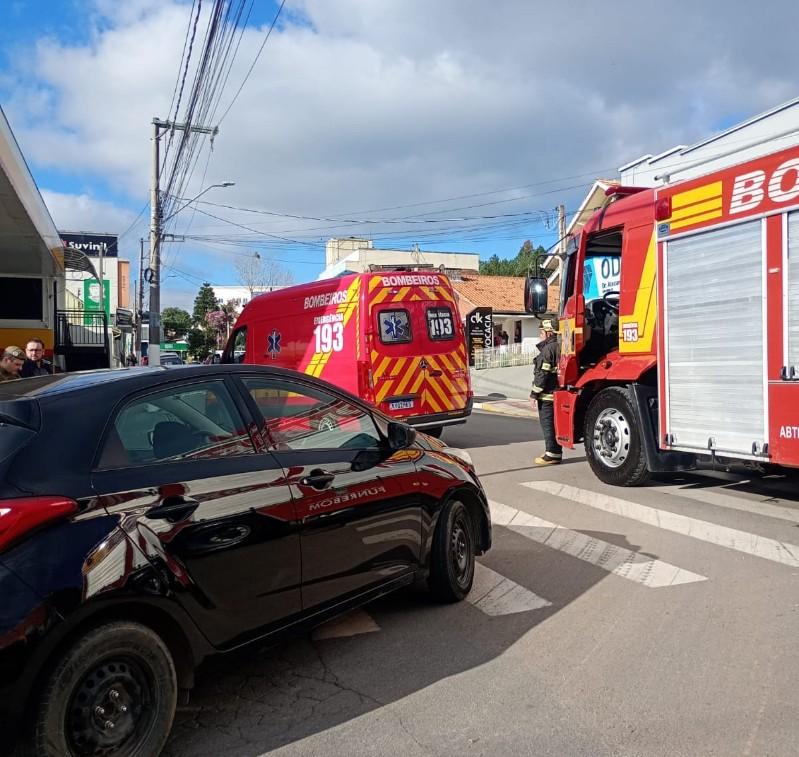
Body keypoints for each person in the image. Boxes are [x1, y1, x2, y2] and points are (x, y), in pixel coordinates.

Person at [530, 316, 562, 466]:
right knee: (555, 425)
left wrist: (534, 394)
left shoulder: (548, 349)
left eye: (541, 333)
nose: (540, 336)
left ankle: (552, 454)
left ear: (549, 333)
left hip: (547, 396)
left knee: (548, 424)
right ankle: (555, 451)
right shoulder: (561, 346)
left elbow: (542, 374)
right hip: (558, 393)